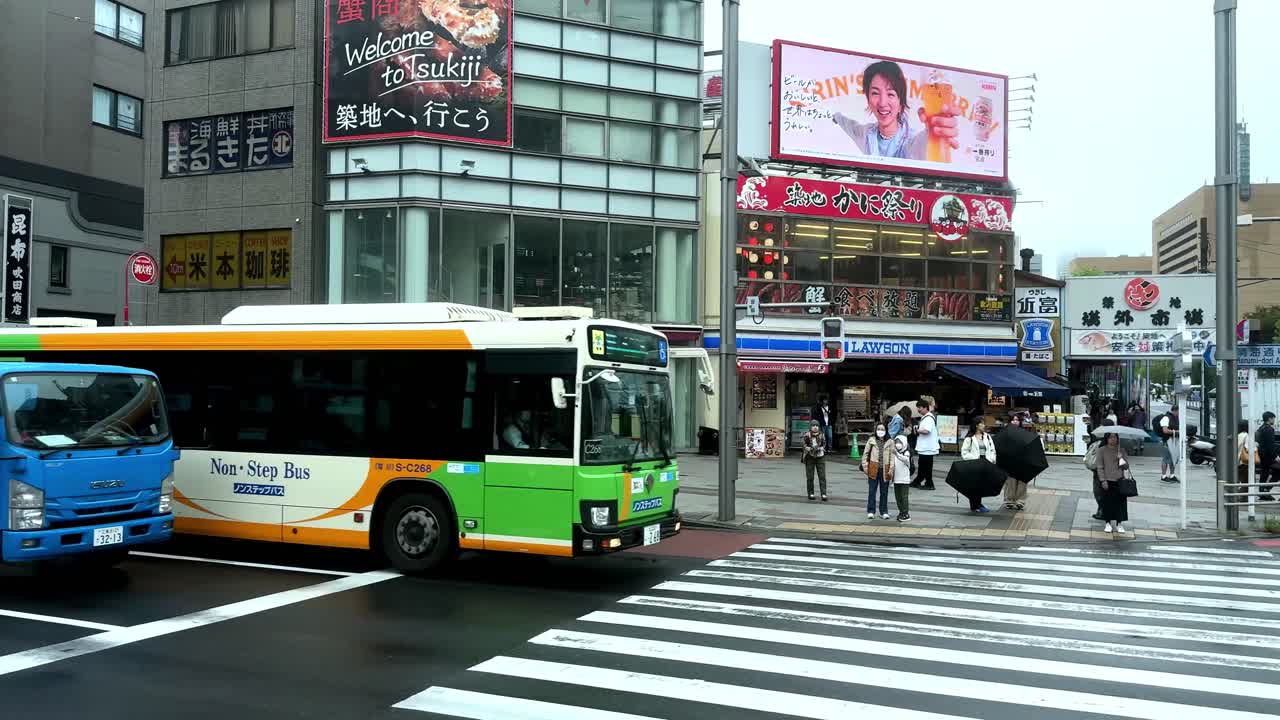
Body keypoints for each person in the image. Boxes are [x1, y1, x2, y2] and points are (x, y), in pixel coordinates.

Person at [831, 60, 959, 161]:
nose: (882, 103)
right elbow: (850, 125)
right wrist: (836, 117)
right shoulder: (865, 134)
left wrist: (933, 132)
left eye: (891, 94)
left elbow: (921, 147)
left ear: (900, 101)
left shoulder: (911, 140)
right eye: (875, 93)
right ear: (868, 98)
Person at [1097, 432, 1131, 534]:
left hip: (1119, 480)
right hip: (1107, 480)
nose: (1113, 439)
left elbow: (1126, 467)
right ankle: (1107, 522)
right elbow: (1099, 466)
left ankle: (1119, 523)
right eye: (1110, 437)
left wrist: (1121, 458)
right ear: (1106, 438)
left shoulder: (1121, 450)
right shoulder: (1101, 450)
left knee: (1120, 503)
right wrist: (1103, 480)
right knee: (1107, 503)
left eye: (1115, 437)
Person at [960, 419, 996, 514]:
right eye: (982, 423)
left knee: (981, 485)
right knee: (974, 486)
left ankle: (977, 504)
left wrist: (991, 459)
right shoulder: (969, 438)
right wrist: (974, 458)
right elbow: (964, 452)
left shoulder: (987, 437)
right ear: (976, 425)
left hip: (985, 464)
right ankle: (976, 505)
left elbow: (992, 450)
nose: (984, 425)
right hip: (974, 464)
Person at [861, 423, 895, 520]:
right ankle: (871, 511)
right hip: (873, 468)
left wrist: (891, 468)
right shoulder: (871, 440)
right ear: (875, 430)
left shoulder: (890, 441)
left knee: (884, 492)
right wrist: (865, 467)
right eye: (878, 429)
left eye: (882, 429)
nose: (880, 431)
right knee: (872, 491)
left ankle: (884, 511)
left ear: (886, 430)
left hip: (885, 469)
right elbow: (865, 454)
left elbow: (892, 457)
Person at [911, 399, 938, 491]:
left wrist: (917, 430)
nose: (918, 410)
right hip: (925, 447)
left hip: (927, 448)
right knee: (923, 466)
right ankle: (918, 481)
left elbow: (926, 431)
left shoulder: (928, 418)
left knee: (926, 466)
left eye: (920, 408)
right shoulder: (926, 417)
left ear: (925, 408)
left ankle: (929, 483)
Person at [801, 422, 828, 502]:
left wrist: (822, 448)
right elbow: (803, 444)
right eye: (813, 426)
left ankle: (823, 494)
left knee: (822, 476)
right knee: (810, 477)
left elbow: (824, 444)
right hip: (810, 457)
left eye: (817, 426)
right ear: (811, 427)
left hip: (820, 457)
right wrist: (807, 448)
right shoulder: (807, 435)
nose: (815, 427)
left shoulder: (822, 435)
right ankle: (811, 493)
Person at [891, 432, 913, 522]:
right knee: (898, 497)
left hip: (904, 480)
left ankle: (906, 513)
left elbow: (906, 460)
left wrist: (897, 454)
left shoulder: (906, 452)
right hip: (896, 479)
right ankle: (901, 512)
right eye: (896, 442)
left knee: (904, 497)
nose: (897, 444)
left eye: (899, 442)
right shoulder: (894, 453)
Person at [1158, 405, 1181, 484]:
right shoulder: (1166, 418)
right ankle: (1163, 476)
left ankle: (1172, 475)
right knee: (1166, 458)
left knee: (1173, 458)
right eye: (1178, 411)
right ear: (1175, 410)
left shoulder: (1176, 418)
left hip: (1174, 441)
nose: (1179, 413)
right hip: (1167, 441)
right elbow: (1165, 430)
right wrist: (1176, 432)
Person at [1258, 411, 1277, 501]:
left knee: (1264, 474)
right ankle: (1265, 490)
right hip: (1268, 457)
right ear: (1269, 418)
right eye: (1273, 418)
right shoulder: (1269, 429)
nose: (1274, 420)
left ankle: (1262, 492)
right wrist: (1275, 456)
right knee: (1277, 473)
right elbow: (1270, 445)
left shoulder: (1261, 428)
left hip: (1262, 456)